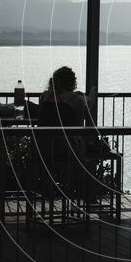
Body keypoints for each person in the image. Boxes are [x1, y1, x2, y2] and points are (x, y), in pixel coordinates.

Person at [37, 66, 99, 201]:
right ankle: (84, 198)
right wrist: (90, 94)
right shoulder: (76, 100)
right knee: (86, 156)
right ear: (72, 82)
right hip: (65, 150)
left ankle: (49, 190)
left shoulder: (45, 96)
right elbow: (83, 114)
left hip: (41, 149)